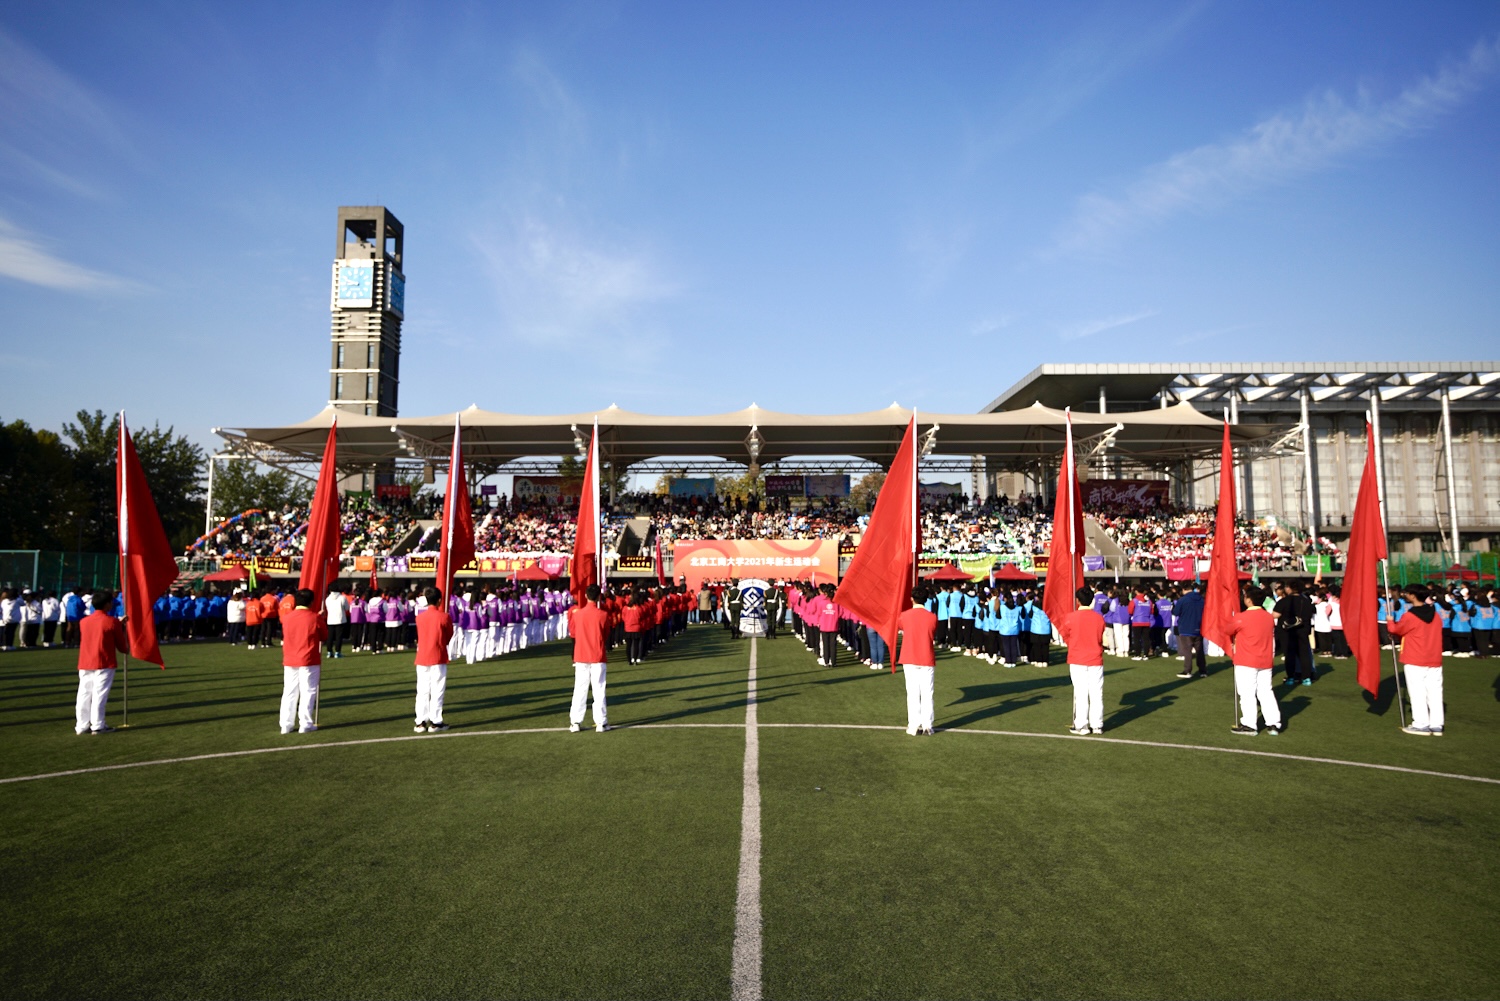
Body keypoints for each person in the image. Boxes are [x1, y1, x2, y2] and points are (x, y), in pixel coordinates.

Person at [1223, 586, 1282, 736]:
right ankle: (1273, 723)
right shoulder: (1268, 617)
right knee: (1266, 692)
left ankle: (1249, 724)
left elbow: (1227, 630)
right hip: (1265, 660)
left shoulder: (1242, 617)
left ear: (1249, 600)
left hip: (1246, 660)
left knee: (1247, 693)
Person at [1389, 585, 1445, 736]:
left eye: (1407, 593)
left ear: (1413, 596)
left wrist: (1390, 622)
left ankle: (1421, 724)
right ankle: (1436, 724)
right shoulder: (1436, 614)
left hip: (1415, 657)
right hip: (1434, 658)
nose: (1405, 595)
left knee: (1417, 692)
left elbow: (1396, 630)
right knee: (1435, 692)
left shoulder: (1410, 616)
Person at [75, 590, 127, 734]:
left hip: (86, 661)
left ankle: (82, 725)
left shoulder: (84, 621)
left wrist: (118, 624)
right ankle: (98, 724)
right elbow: (122, 647)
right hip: (104, 661)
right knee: (99, 695)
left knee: (84, 694)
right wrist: (121, 628)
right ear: (107, 604)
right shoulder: (112, 622)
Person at [1059, 586, 1106, 735]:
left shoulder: (1070, 618)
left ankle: (1082, 724)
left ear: (1077, 601)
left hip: (1078, 658)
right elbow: (1100, 638)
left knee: (1081, 692)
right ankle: (1097, 725)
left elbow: (1065, 636)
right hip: (1094, 658)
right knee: (1096, 692)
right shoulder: (1099, 618)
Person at [278, 588, 326, 735]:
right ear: (311, 602)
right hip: (309, 658)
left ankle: (286, 724)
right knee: (308, 691)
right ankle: (305, 723)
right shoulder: (314, 618)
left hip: (290, 658)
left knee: (289, 691)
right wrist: (320, 618)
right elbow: (324, 635)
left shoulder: (287, 618)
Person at [567, 584, 611, 732]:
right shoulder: (603, 615)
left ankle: (575, 722)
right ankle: (601, 722)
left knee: (580, 688)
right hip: (597, 655)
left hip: (581, 655)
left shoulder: (577, 614)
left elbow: (573, 634)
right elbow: (606, 635)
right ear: (599, 597)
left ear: (586, 595)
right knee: (599, 689)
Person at [896, 585, 938, 735]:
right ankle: (927, 725)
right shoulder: (932, 617)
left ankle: (913, 725)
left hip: (910, 657)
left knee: (913, 693)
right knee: (927, 693)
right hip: (926, 657)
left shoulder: (904, 615)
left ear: (912, 599)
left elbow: (898, 625)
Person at [414, 586, 454, 733]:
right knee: (437, 690)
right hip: (438, 655)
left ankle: (420, 721)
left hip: (422, 656)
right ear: (439, 600)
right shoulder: (444, 617)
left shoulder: (420, 617)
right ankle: (436, 721)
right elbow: (449, 636)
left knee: (422, 690)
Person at [1173, 583, 1207, 679]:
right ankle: (1202, 671)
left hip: (1186, 627)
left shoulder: (1183, 600)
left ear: (1184, 589)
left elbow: (1176, 612)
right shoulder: (1202, 600)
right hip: (1199, 627)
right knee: (1199, 650)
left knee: (1187, 651)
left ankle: (1187, 670)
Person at [324, 584, 348, 658]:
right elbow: (347, 608)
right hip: (340, 619)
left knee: (330, 637)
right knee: (338, 637)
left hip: (330, 619)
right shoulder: (342, 598)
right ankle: (337, 652)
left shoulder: (327, 599)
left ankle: (329, 651)